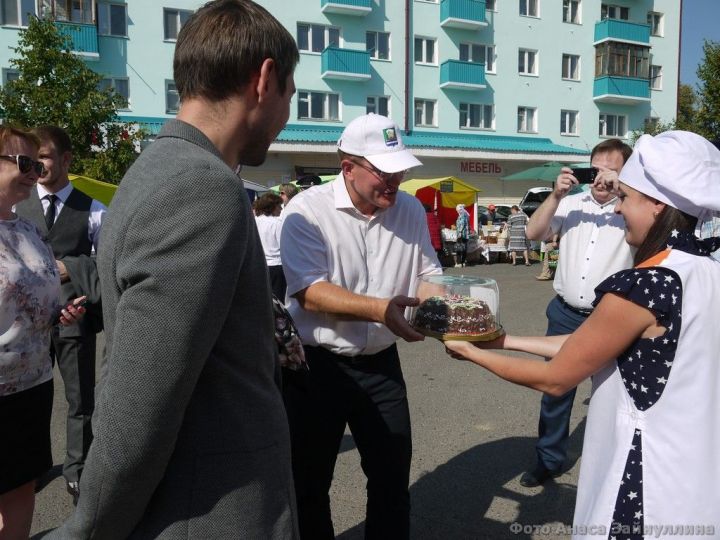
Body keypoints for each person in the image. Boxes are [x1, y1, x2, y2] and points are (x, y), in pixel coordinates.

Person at [50, 1, 300, 538]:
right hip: (211, 514)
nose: (288, 113)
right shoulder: (201, 186)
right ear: (266, 78)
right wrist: (86, 529)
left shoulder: (160, 168)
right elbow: (139, 404)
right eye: (291, 92)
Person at [445, 130, 720, 537]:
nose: (618, 208)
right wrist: (502, 341)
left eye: (626, 197)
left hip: (641, 473)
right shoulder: (705, 266)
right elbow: (592, 344)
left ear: (658, 205)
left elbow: (556, 378)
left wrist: (473, 353)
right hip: (688, 465)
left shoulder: (645, 285)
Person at [280, 113, 442, 539]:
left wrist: (452, 315)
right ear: (347, 166)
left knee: (391, 480)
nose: (394, 180)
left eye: (399, 169)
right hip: (316, 367)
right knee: (309, 484)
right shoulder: (307, 209)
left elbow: (429, 275)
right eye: (383, 171)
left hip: (379, 364)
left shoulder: (408, 208)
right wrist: (380, 309)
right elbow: (309, 292)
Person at [521, 138, 635, 487]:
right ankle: (549, 459)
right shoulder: (570, 204)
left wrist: (626, 191)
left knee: (616, 393)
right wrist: (555, 195)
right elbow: (532, 233)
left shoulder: (632, 207)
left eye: (609, 170)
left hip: (613, 317)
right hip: (566, 312)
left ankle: (613, 465)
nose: (599, 179)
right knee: (556, 389)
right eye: (594, 169)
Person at [0, 126, 85, 539]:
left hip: (32, 383)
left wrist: (57, 313)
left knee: (21, 483)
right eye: (23, 162)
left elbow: (39, 296)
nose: (34, 170)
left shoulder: (30, 230)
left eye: (38, 162)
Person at [14, 125, 105, 506]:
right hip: (27, 325)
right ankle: (28, 470)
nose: (39, 166)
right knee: (29, 398)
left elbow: (108, 263)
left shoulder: (95, 209)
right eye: (34, 160)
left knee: (80, 399)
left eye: (46, 157)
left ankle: (77, 469)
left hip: (75, 316)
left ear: (67, 159)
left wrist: (69, 266)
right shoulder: (17, 206)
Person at [255, 191, 286, 300]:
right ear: (272, 207)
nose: (281, 209)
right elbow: (284, 246)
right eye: (279, 206)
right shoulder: (277, 223)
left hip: (260, 265)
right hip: (277, 266)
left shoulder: (255, 221)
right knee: (278, 299)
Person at [455, 203, 470, 267]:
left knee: (459, 248)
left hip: (462, 234)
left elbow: (462, 224)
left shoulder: (462, 215)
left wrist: (460, 232)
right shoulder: (465, 214)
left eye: (458, 210)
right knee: (464, 248)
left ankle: (459, 263)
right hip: (465, 234)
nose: (457, 211)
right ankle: (463, 262)